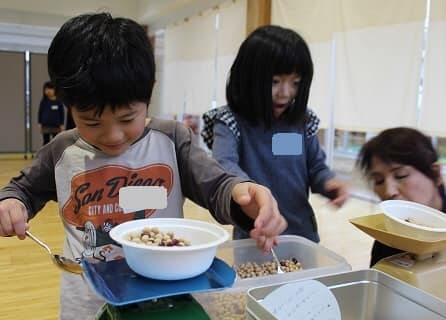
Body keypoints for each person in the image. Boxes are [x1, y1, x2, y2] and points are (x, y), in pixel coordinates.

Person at [0, 13, 287, 320]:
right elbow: (22, 190)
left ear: (149, 91)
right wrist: (11, 203)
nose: (112, 135)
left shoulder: (172, 140)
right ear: (67, 104)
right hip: (86, 298)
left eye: (127, 119)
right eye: (91, 122)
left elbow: (217, 186)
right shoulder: (60, 151)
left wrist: (243, 194)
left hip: (162, 295)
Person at [201, 25, 348, 243]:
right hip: (254, 236)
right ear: (248, 79)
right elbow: (225, 167)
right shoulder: (230, 121)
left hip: (302, 233)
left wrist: (329, 183)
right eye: (275, 82)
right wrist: (248, 192)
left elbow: (315, 167)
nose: (285, 93)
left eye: (295, 83)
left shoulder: (302, 121)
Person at [356, 127, 446, 267]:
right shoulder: (388, 236)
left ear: (435, 174)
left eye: (401, 175)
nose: (388, 192)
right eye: (379, 181)